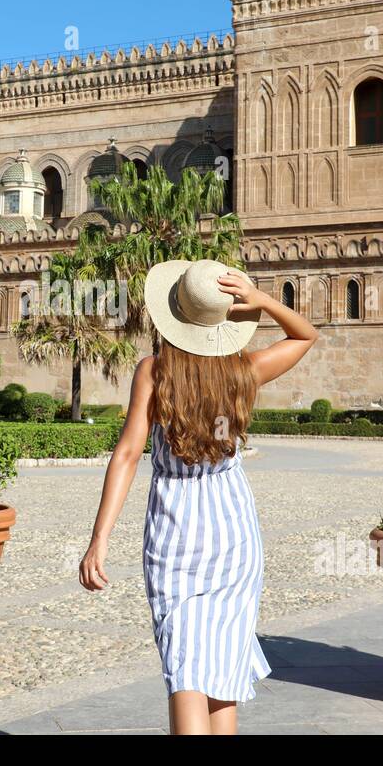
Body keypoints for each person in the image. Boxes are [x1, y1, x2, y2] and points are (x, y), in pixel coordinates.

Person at [79, 258, 319, 735]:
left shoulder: (154, 370)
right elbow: (305, 336)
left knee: (186, 667)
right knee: (222, 673)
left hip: (176, 530)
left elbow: (127, 454)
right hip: (234, 533)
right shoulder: (244, 370)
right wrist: (266, 300)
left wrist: (98, 538)